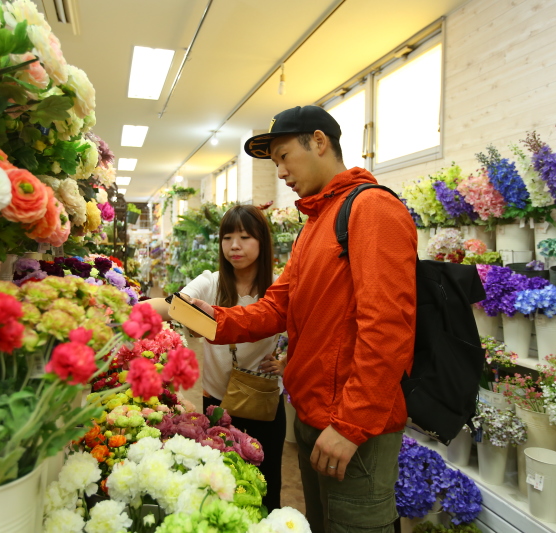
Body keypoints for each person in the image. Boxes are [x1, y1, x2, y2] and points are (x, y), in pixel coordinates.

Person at [191, 105, 417, 533]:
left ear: (318, 141)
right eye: (274, 162)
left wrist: (351, 426)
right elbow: (278, 306)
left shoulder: (371, 210)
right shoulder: (315, 224)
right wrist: (216, 320)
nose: (279, 172)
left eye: (282, 156)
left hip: (354, 428)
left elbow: (387, 329)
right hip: (315, 416)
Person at [148, 204, 286, 511]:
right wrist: (126, 308)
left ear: (262, 242)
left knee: (265, 488)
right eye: (227, 237)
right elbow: (175, 305)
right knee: (219, 486)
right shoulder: (211, 283)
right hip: (218, 404)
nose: (234, 246)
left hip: (263, 404)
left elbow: (309, 329)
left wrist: (286, 362)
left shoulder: (277, 287)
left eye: (245, 237)